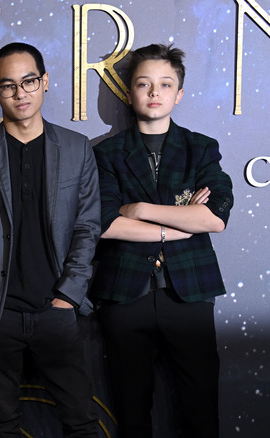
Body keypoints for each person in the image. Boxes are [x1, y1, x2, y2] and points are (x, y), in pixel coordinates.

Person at [0, 42, 101, 437]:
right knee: (1, 423)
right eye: (8, 85)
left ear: (45, 82)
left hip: (57, 307)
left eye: (29, 81)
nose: (20, 93)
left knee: (82, 420)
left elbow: (88, 227)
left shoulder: (75, 148)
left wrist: (68, 295)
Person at [91, 43, 233, 438]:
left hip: (189, 293)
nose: (155, 92)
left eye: (165, 84)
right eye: (144, 84)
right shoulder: (107, 154)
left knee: (200, 409)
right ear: (130, 92)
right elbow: (104, 222)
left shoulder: (200, 148)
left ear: (179, 94)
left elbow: (215, 217)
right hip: (124, 295)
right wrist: (182, 224)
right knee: (132, 411)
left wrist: (138, 208)